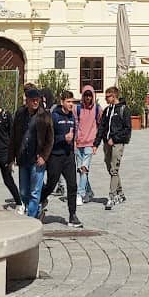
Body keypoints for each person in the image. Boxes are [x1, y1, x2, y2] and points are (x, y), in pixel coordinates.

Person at [9, 85, 53, 218]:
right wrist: (11, 157)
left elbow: (50, 139)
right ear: (27, 100)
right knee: (23, 191)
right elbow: (14, 137)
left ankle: (32, 218)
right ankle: (36, 211)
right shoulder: (20, 114)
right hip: (23, 158)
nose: (35, 102)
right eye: (32, 100)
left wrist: (44, 157)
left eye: (37, 100)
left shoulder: (44, 115)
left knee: (35, 191)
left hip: (37, 159)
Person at [43, 90, 81, 227]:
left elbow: (74, 134)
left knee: (72, 185)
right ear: (62, 102)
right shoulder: (54, 116)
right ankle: (40, 202)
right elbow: (49, 138)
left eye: (73, 102)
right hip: (55, 156)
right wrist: (63, 138)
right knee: (51, 184)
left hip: (68, 156)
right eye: (69, 102)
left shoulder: (72, 117)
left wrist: (73, 144)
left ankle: (72, 215)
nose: (71, 104)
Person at [98, 84, 131, 210]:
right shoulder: (107, 110)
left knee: (114, 169)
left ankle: (111, 197)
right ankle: (120, 193)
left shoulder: (124, 110)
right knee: (110, 167)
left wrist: (115, 138)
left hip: (118, 143)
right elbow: (102, 127)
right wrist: (97, 143)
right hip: (107, 143)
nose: (106, 99)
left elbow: (127, 130)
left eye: (108, 97)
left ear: (114, 96)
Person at [75, 84, 100, 204]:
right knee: (81, 170)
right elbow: (74, 125)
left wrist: (96, 144)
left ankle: (80, 194)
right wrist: (74, 141)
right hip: (78, 143)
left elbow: (101, 124)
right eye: (86, 95)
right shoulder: (77, 109)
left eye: (90, 95)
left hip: (90, 143)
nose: (88, 98)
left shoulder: (97, 109)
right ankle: (89, 191)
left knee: (84, 169)